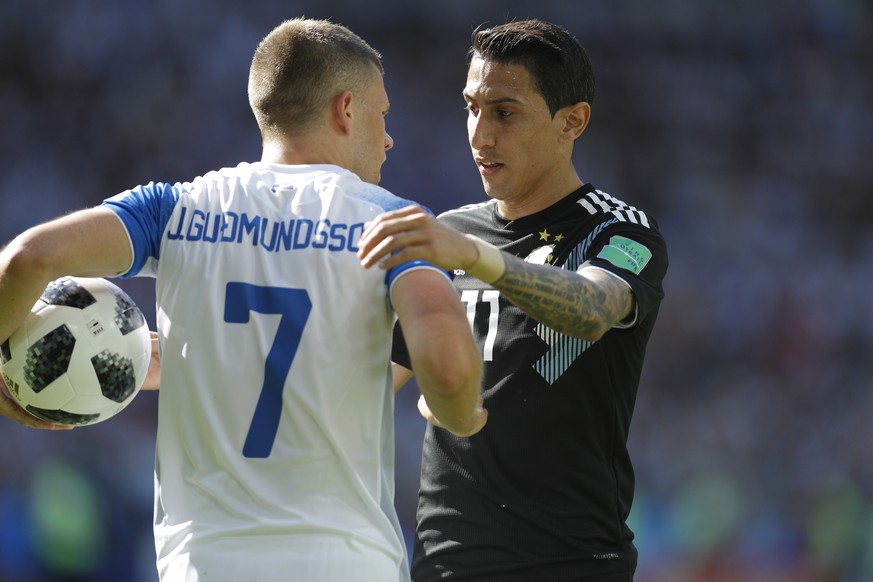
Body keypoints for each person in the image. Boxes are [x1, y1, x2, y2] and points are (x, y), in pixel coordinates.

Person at [0, 18, 486, 582]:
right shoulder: (390, 224)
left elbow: (26, 260)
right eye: (382, 114)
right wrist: (462, 415)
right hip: (347, 562)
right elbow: (448, 373)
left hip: (205, 564)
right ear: (345, 108)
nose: (388, 137)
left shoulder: (175, 208)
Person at [358, 19, 668, 581]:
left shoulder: (619, 232)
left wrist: (478, 258)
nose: (479, 134)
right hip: (442, 564)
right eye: (472, 107)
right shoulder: (451, 234)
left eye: (504, 112)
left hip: (570, 564)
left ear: (571, 121)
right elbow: (369, 379)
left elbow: (593, 309)